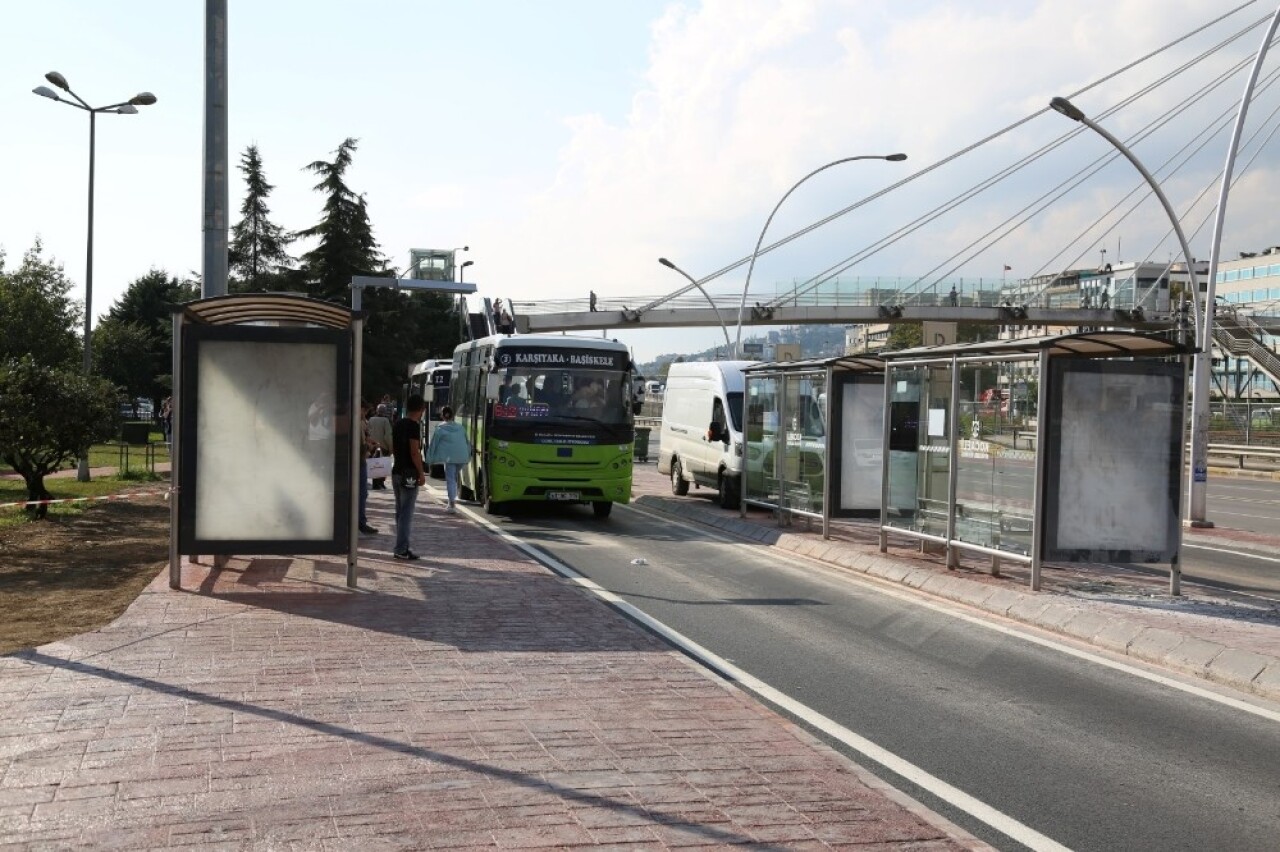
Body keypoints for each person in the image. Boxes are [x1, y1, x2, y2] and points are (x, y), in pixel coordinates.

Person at [391, 395, 427, 560]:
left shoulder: (398, 424)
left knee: (400, 511)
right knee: (407, 512)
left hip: (397, 470)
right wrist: (421, 473)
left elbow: (393, 447)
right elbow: (414, 451)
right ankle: (401, 548)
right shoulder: (413, 426)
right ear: (421, 410)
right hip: (409, 474)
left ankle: (401, 546)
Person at [426, 405, 472, 512]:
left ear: (442, 415)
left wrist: (429, 458)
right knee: (454, 479)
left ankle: (452, 505)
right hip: (462, 457)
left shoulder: (440, 428)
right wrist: (468, 455)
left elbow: (434, 444)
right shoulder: (460, 427)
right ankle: (451, 502)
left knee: (450, 480)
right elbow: (467, 442)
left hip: (449, 458)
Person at [358, 400, 378, 535]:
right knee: (361, 493)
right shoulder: (357, 422)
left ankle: (360, 521)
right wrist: (369, 447)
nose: (365, 414)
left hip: (360, 460)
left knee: (362, 493)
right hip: (359, 461)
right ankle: (360, 522)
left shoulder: (362, 422)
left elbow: (364, 437)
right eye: (364, 411)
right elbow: (359, 444)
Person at [367, 403, 394, 490]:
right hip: (383, 446)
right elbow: (388, 436)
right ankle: (380, 483)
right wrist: (391, 447)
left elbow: (368, 433)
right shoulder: (385, 421)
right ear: (384, 412)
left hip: (372, 446)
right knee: (382, 466)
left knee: (374, 465)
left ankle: (376, 483)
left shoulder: (371, 419)